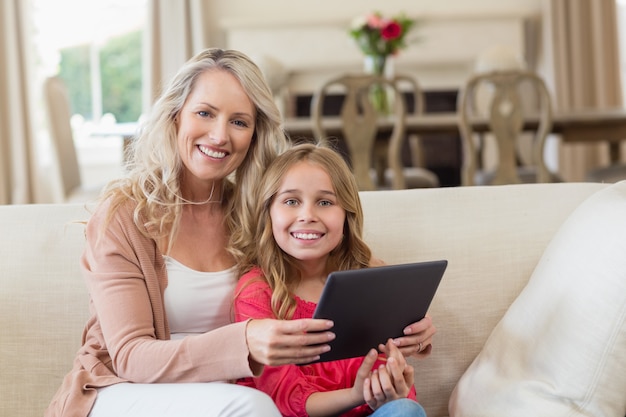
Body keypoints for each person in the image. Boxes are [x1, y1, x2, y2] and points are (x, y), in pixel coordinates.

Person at [45, 48, 338, 417]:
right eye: (205, 113)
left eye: (239, 122)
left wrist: (402, 318)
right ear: (175, 116)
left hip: (221, 395)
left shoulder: (254, 214)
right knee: (252, 407)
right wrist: (244, 341)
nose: (219, 136)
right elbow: (131, 356)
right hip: (122, 390)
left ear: (254, 135)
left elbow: (336, 261)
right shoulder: (124, 216)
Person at [233, 142, 434, 417]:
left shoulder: (370, 280)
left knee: (405, 409)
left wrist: (393, 380)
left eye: (325, 202)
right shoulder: (257, 292)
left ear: (346, 215)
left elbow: (391, 385)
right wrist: (356, 395)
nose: (307, 216)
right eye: (291, 201)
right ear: (268, 211)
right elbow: (283, 400)